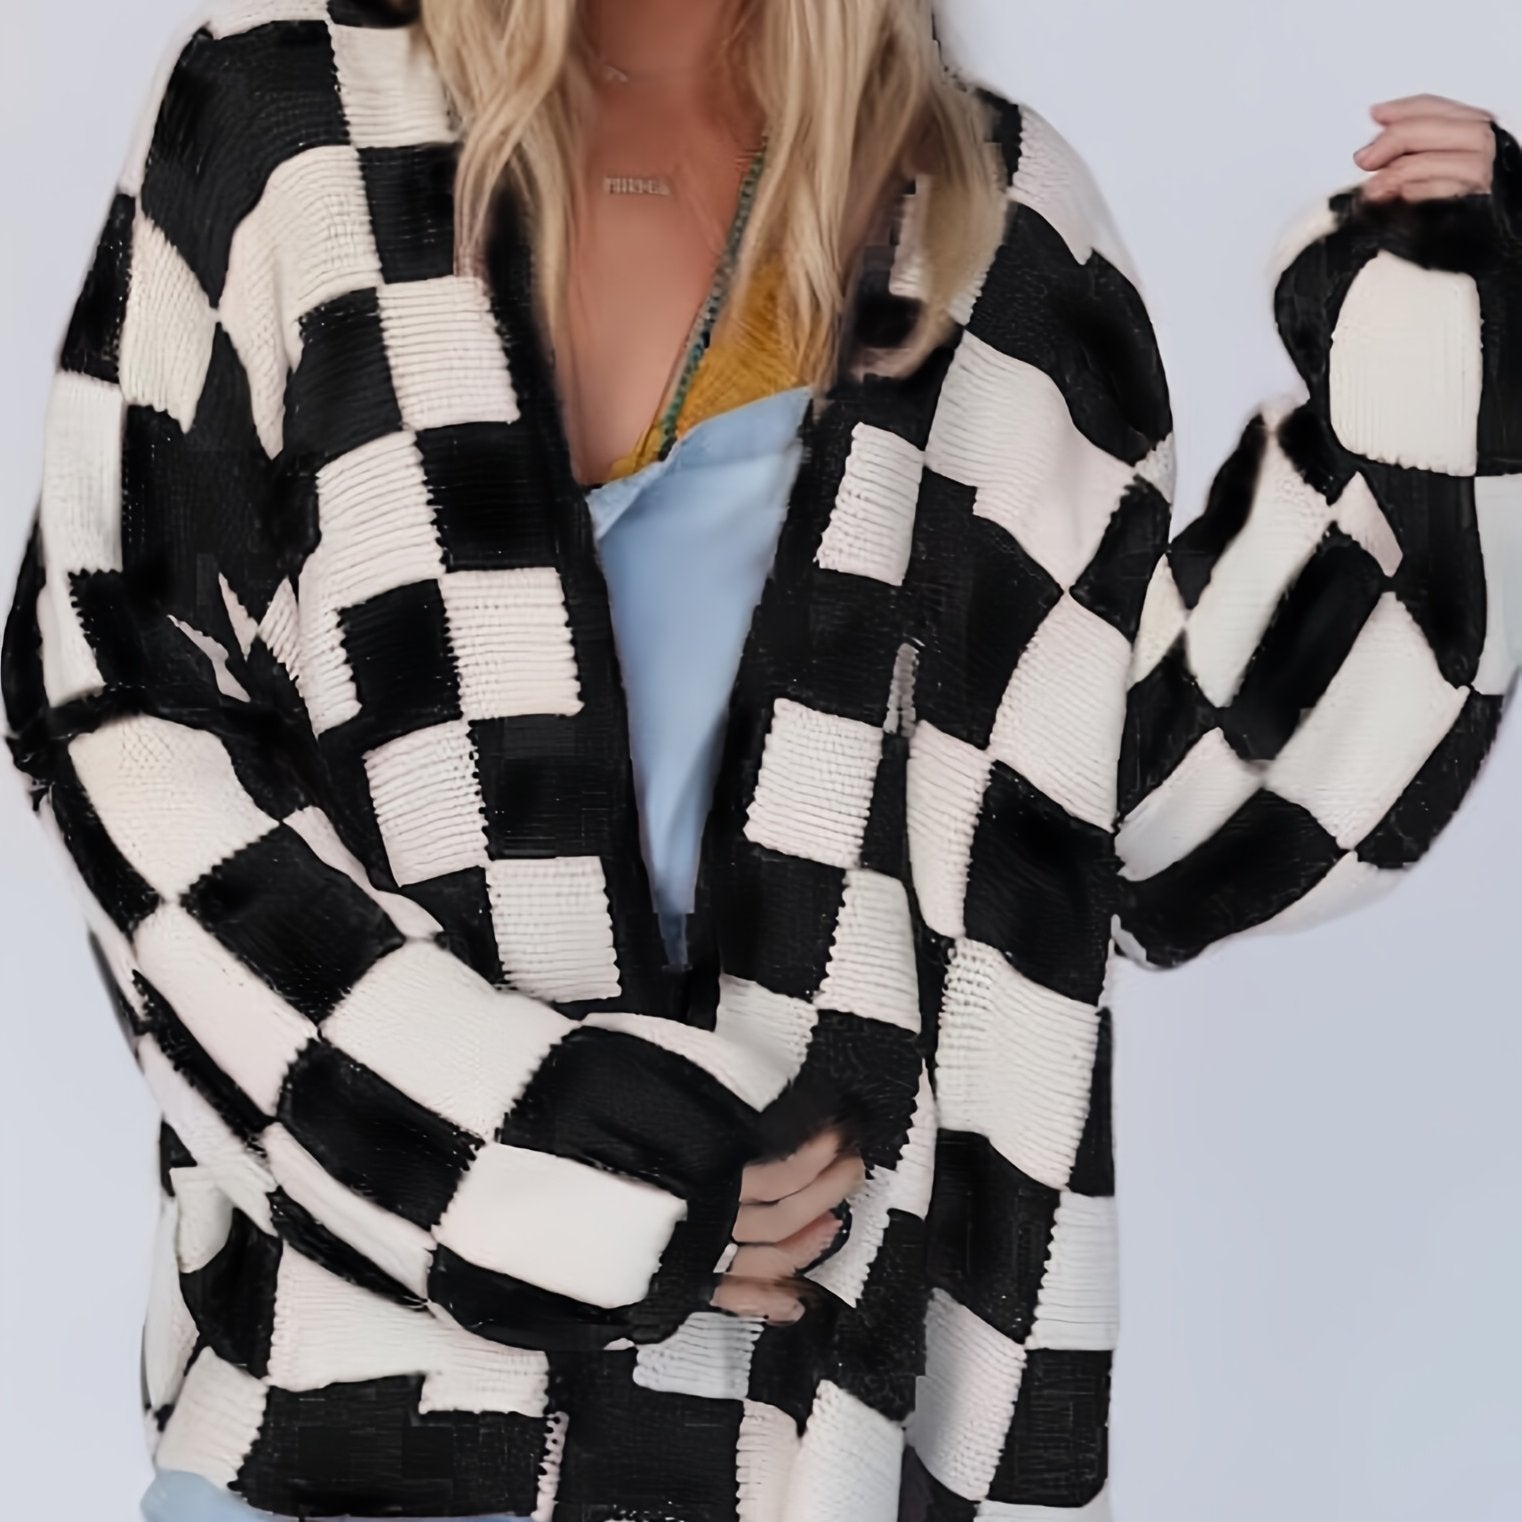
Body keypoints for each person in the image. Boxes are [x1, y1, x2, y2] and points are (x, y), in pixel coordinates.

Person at [2, 0, 1517, 1517]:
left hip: (799, 1416)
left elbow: (1123, 819)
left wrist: (1447, 370)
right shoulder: (287, 117)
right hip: (348, 1404)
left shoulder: (986, 219)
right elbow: (117, 715)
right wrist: (542, 1164)